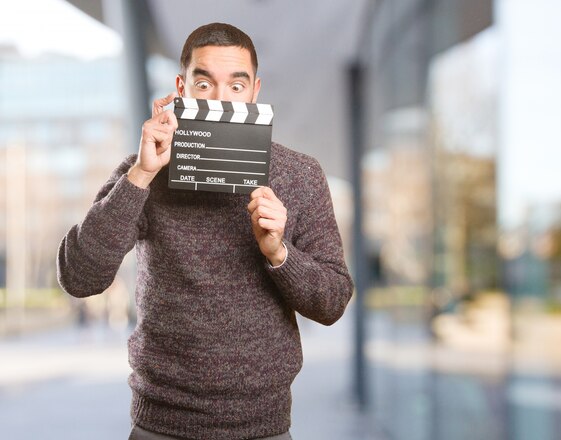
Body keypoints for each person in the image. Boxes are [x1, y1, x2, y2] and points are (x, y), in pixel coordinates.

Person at [56, 23, 353, 440]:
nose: (219, 98)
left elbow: (333, 301)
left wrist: (279, 254)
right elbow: (79, 277)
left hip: (264, 426)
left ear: (254, 92)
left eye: (236, 85)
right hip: (160, 422)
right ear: (182, 89)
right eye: (203, 83)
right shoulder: (145, 170)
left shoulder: (300, 175)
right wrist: (141, 175)